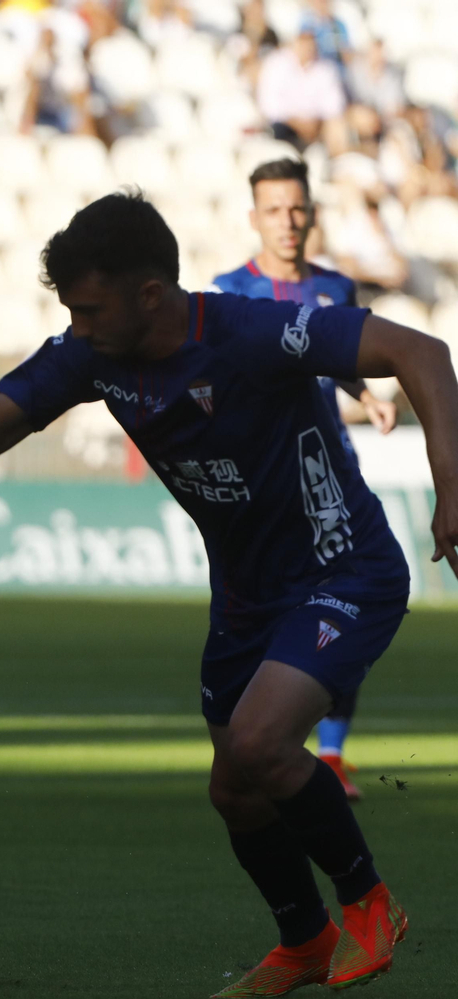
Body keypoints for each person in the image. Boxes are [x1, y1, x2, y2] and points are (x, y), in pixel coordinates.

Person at [0, 191, 458, 997]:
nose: (79, 324)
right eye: (71, 310)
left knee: (258, 745)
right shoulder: (92, 353)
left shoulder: (249, 330)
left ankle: (368, 903)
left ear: (149, 294)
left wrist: (450, 489)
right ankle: (304, 942)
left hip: (342, 571)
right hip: (245, 596)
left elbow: (422, 351)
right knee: (233, 786)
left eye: (90, 307)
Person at [211, 159, 399, 803]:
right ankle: (262, 743)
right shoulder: (229, 288)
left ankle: (335, 755)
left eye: (297, 209)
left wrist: (367, 396)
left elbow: (342, 356)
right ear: (254, 217)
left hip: (328, 476)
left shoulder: (337, 288)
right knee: (268, 611)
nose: (288, 222)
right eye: (274, 210)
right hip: (263, 481)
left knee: (339, 607)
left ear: (312, 213)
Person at [257, 33, 346, 150]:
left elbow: (335, 106)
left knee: (337, 127)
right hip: (284, 126)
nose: (307, 48)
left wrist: (314, 124)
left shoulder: (326, 68)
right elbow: (269, 105)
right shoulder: (276, 64)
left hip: (318, 127)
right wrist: (297, 124)